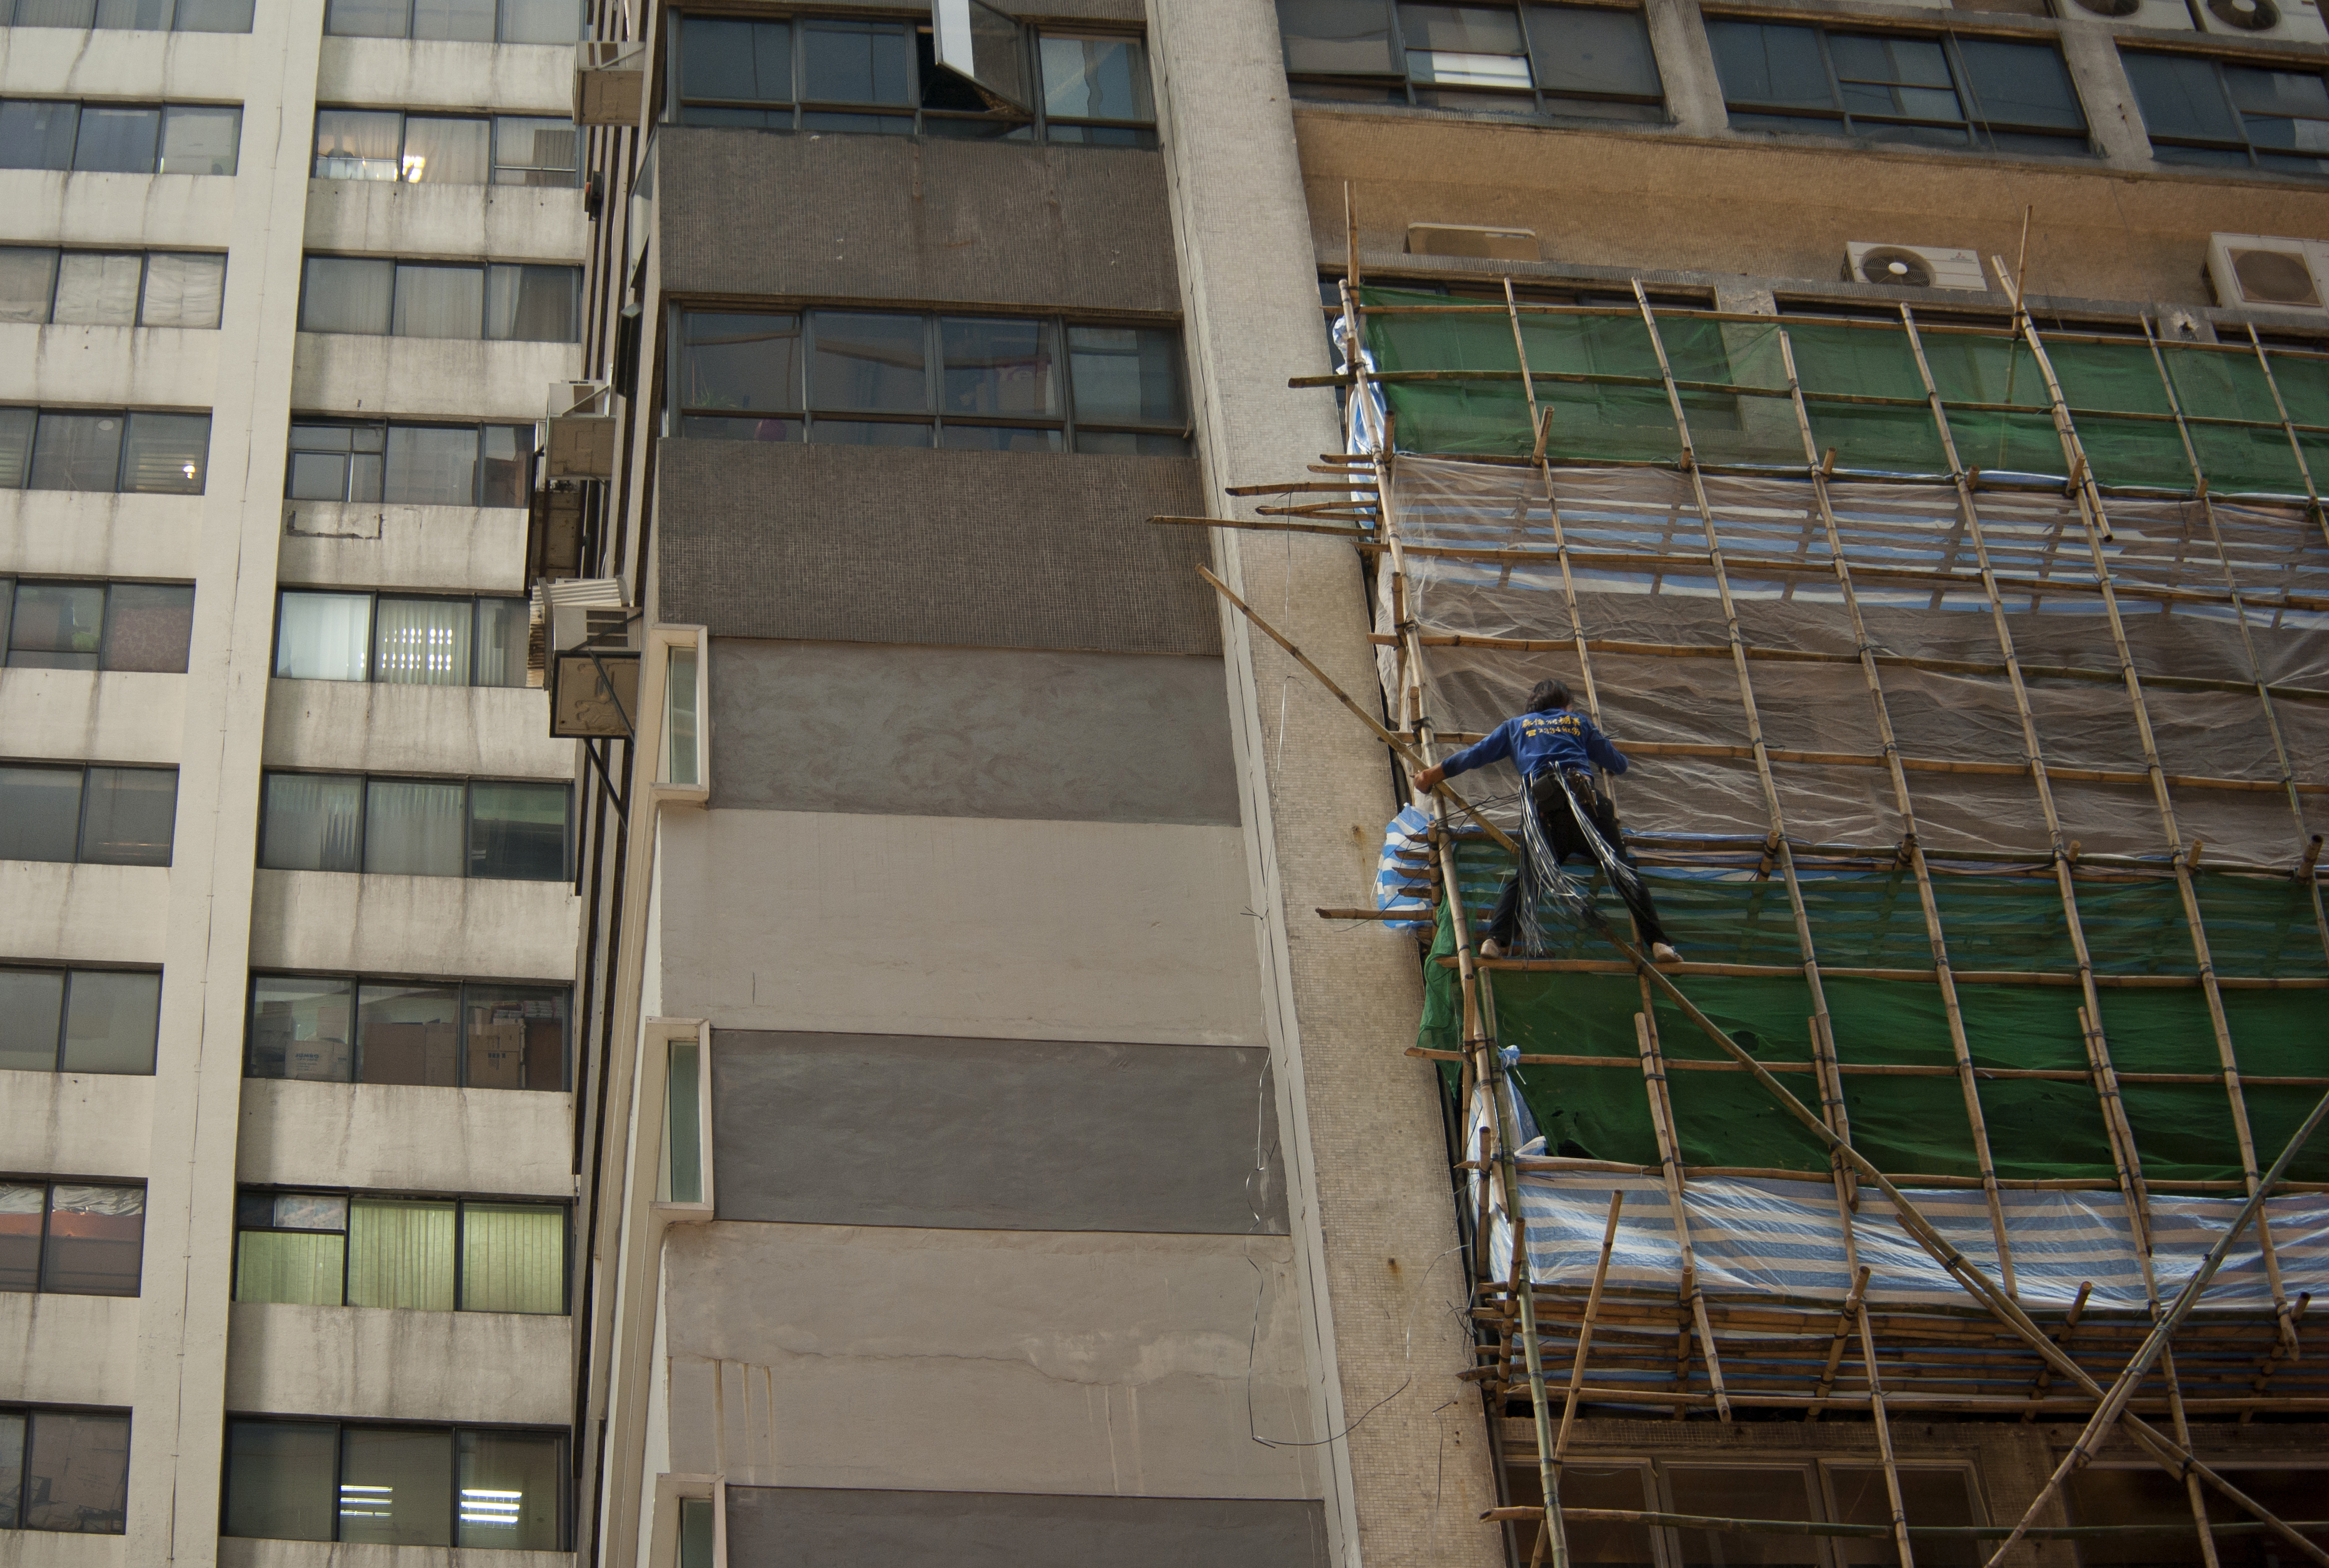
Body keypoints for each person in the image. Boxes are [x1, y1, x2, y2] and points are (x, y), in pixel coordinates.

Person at [1411, 680, 1680, 964]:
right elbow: (1619, 765)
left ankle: (1496, 941)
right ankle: (1660, 944)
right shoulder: (1577, 722)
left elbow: (1473, 756)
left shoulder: (1516, 726)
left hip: (1545, 816)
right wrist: (1605, 748)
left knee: (1527, 879)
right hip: (1588, 809)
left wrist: (1430, 776)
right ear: (1566, 705)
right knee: (1624, 872)